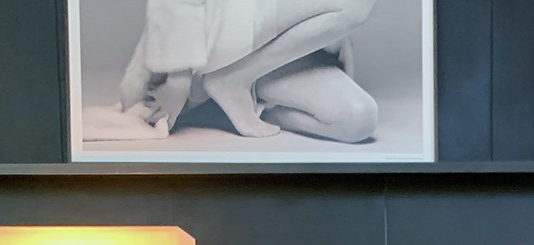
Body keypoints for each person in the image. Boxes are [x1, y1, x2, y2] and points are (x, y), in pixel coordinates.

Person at [115, 0, 379, 143]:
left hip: (274, 52)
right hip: (210, 48)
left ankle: (225, 106)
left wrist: (334, 39)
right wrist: (177, 80)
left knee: (358, 120)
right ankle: (230, 82)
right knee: (357, 4)